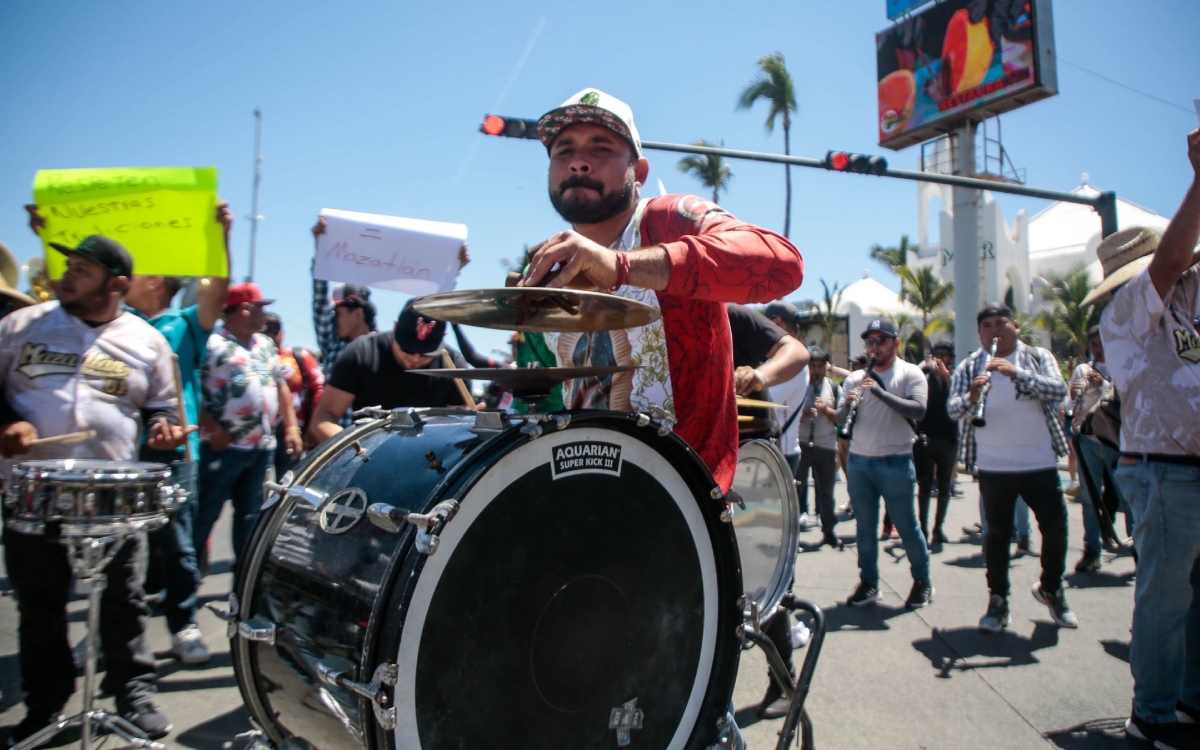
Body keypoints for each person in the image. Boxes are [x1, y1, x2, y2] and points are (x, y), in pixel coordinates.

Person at [516, 87, 804, 492]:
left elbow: (782, 265)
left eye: (601, 148)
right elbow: (538, 398)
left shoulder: (672, 218)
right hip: (580, 490)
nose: (579, 161)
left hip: (686, 500)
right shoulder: (547, 265)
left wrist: (618, 265)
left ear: (639, 172)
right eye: (564, 151)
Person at [0, 235, 189, 743]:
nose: (66, 277)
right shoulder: (19, 326)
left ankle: (134, 692)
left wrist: (163, 429)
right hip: (33, 489)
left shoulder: (147, 340)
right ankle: (45, 706)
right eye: (69, 267)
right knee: (40, 605)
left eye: (82, 271)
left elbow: (161, 406)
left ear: (117, 284)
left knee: (123, 598)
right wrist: (7, 423)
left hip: (112, 492)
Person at [26, 202, 232, 667]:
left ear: (154, 282)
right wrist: (48, 232)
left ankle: (183, 625)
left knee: (178, 546)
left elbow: (216, 291)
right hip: (118, 456)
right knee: (108, 551)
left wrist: (221, 237)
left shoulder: (184, 325)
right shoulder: (106, 323)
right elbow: (66, 296)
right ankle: (105, 634)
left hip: (172, 454)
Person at [1089, 128, 1200, 749]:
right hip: (1163, 468)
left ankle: (1187, 700)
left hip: (1186, 466)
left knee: (1191, 595)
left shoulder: (1187, 303)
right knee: (1166, 597)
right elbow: (1171, 262)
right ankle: (1151, 712)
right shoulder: (1130, 304)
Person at [947, 304, 1076, 634]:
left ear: (1015, 326)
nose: (994, 331)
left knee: (1056, 529)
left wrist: (1017, 373)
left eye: (1000, 323)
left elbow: (1059, 389)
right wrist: (972, 397)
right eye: (987, 326)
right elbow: (952, 409)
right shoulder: (969, 366)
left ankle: (1051, 588)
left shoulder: (1037, 356)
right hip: (994, 466)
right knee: (997, 536)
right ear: (980, 333)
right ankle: (998, 600)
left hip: (1039, 461)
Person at [195, 283, 302, 575]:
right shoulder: (212, 343)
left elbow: (280, 387)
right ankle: (185, 588)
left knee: (251, 517)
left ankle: (242, 585)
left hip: (260, 449)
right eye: (260, 308)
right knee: (204, 515)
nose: (264, 315)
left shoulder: (265, 345)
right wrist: (212, 428)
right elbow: (191, 389)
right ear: (244, 309)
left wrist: (291, 428)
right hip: (220, 448)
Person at [835, 318, 932, 608]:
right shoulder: (854, 378)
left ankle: (923, 581)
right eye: (870, 341)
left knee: (906, 525)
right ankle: (869, 583)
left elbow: (919, 410)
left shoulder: (910, 373)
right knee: (865, 527)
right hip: (860, 461)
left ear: (896, 343)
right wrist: (847, 404)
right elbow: (839, 418)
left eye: (881, 340)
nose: (874, 347)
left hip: (896, 460)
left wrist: (880, 393)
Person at [306, 300, 473, 444]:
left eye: (426, 352)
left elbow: (457, 430)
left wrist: (469, 423)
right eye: (407, 348)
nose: (415, 358)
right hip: (367, 453)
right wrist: (350, 447)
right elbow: (323, 417)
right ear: (395, 328)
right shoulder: (361, 352)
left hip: (430, 456)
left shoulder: (454, 367)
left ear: (442, 338)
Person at [1066, 327, 1122, 573]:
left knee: (1126, 498)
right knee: (1089, 499)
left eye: (1102, 343)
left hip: (1115, 442)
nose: (1099, 349)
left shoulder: (1122, 367)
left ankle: (1137, 552)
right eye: (1094, 345)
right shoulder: (1082, 369)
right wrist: (1073, 395)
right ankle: (1092, 550)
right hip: (1088, 440)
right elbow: (1069, 404)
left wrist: (1105, 384)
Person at [263, 312, 324, 477]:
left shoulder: (298, 356)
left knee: (290, 480)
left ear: (281, 332)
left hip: (294, 433)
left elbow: (319, 387)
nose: (270, 335)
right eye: (265, 331)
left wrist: (314, 425)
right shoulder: (255, 357)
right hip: (262, 436)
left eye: (274, 330)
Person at [794, 348, 842, 549]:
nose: (816, 370)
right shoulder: (799, 387)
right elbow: (788, 414)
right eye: (812, 366)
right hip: (803, 444)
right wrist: (805, 415)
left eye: (820, 366)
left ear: (825, 368)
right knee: (797, 489)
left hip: (826, 446)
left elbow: (841, 417)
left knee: (826, 493)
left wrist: (826, 410)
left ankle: (829, 530)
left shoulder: (833, 388)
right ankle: (792, 534)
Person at [915, 341, 958, 546]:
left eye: (944, 355)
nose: (940, 358)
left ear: (951, 358)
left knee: (944, 486)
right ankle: (922, 528)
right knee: (924, 485)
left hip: (948, 438)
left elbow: (957, 397)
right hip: (926, 438)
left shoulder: (955, 378)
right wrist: (925, 367)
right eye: (936, 354)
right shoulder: (923, 378)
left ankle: (938, 528)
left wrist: (946, 376)